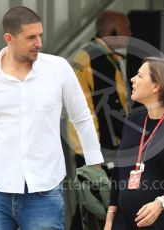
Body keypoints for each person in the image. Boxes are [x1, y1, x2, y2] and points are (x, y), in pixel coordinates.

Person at [0, 6, 103, 230]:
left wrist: (95, 170)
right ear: (9, 38)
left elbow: (82, 118)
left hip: (45, 193)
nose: (39, 42)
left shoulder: (59, 69)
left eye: (40, 35)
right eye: (31, 37)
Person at [104, 57, 164, 230]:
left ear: (157, 86)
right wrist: (110, 218)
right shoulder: (132, 122)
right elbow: (119, 173)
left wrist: (159, 204)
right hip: (125, 223)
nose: (133, 79)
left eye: (140, 76)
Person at [67, 10, 132, 173]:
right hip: (95, 149)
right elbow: (100, 109)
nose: (131, 34)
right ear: (113, 32)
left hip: (98, 147)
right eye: (127, 29)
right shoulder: (93, 60)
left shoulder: (104, 56)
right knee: (99, 197)